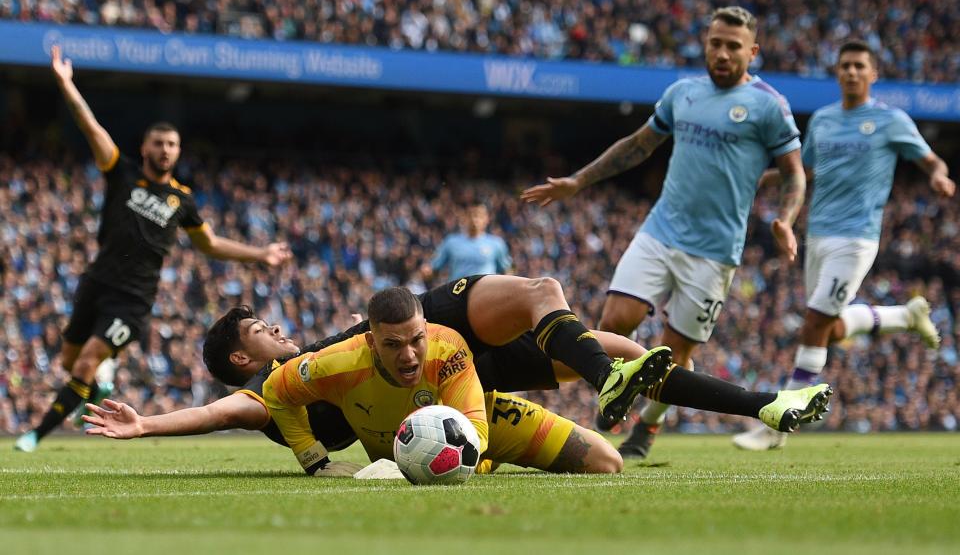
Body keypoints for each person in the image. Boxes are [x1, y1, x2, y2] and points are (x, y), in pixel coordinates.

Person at [83, 280, 832, 468]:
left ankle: (766, 404)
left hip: (432, 333)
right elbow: (217, 414)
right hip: (445, 381)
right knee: (604, 345)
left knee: (588, 326)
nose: (278, 329)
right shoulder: (281, 392)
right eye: (261, 332)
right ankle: (610, 380)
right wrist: (146, 421)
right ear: (243, 361)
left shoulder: (334, 351)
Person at [522, 6, 807, 459]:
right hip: (660, 231)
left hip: (715, 253)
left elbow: (794, 174)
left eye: (733, 46)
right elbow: (638, 145)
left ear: (752, 52)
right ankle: (617, 388)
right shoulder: (682, 93)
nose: (722, 53)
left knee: (675, 355)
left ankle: (646, 430)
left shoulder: (768, 106)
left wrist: (786, 220)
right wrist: (579, 181)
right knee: (614, 322)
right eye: (715, 43)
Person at [13, 45, 293, 453]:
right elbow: (92, 129)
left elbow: (210, 244)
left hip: (134, 298)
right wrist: (66, 84)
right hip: (97, 282)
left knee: (87, 361)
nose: (165, 150)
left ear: (178, 152)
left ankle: (35, 435)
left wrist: (261, 253)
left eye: (172, 145)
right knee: (70, 364)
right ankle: (99, 387)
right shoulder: (122, 173)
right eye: (158, 143)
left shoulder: (182, 200)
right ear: (145, 148)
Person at [732, 40, 956, 450]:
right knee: (830, 328)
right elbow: (805, 170)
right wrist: (757, 181)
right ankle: (903, 316)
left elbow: (931, 160)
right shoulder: (824, 119)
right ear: (837, 73)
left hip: (857, 237)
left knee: (814, 322)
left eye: (859, 66)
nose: (852, 72)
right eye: (845, 66)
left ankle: (779, 425)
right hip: (817, 234)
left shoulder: (891, 120)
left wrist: (939, 177)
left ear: (872, 75)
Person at [421, 203, 511, 282]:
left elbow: (507, 270)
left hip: (486, 296)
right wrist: (427, 272)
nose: (474, 219)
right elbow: (434, 268)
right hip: (458, 295)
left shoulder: (496, 243)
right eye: (470, 215)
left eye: (478, 215)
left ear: (487, 219)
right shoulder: (451, 241)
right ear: (464, 217)